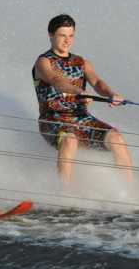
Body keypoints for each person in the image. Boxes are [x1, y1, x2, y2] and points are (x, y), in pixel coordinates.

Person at [32, 14, 133, 184]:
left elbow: (97, 82)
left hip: (81, 119)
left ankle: (132, 194)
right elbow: (57, 82)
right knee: (69, 140)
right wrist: (80, 92)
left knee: (116, 138)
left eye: (71, 36)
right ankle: (66, 196)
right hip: (52, 120)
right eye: (62, 36)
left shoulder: (81, 62)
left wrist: (111, 95)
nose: (67, 41)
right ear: (50, 35)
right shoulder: (43, 62)